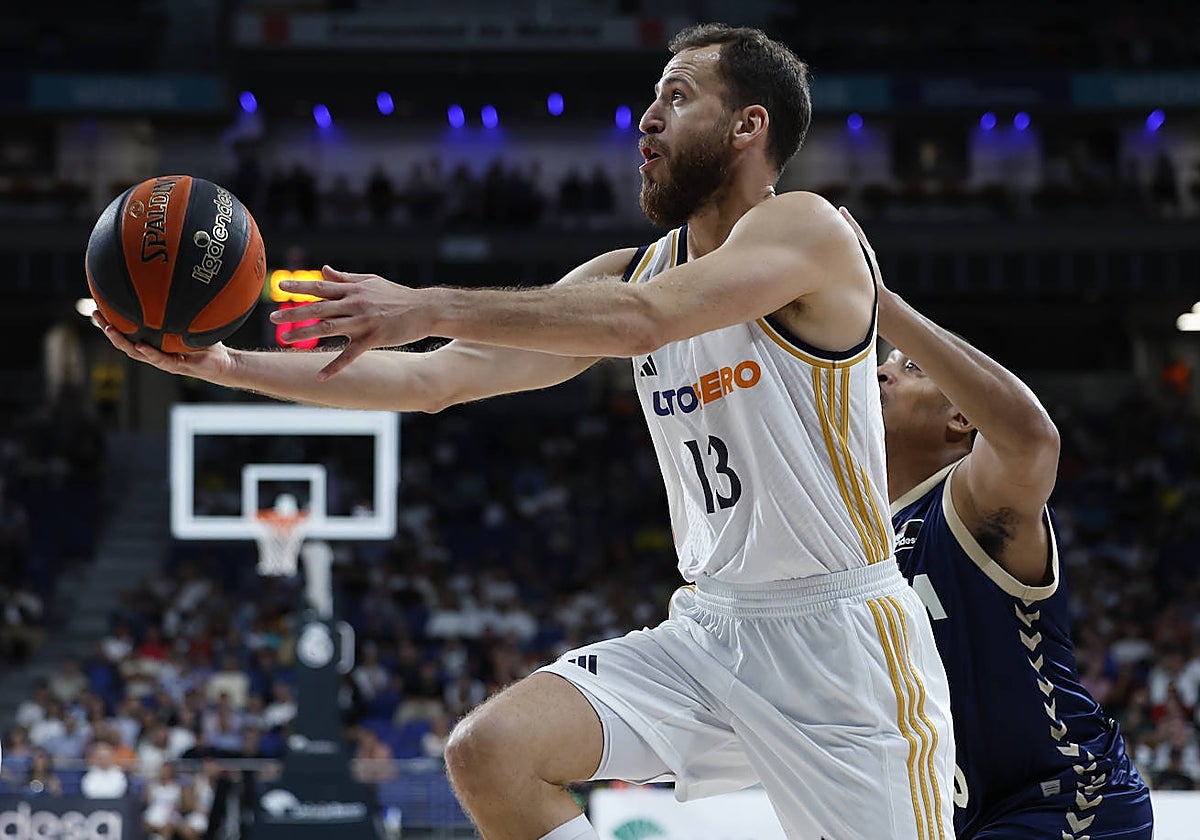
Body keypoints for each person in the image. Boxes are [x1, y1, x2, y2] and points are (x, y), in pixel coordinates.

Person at [96, 23, 954, 840]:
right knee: (491, 752)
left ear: (748, 126)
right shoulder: (630, 271)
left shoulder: (809, 229)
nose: (648, 116)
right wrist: (224, 367)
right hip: (714, 632)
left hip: (842, 650)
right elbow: (433, 379)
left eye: (678, 96)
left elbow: (644, 323)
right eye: (652, 97)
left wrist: (422, 303)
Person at [845, 206, 1154, 839]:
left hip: (1069, 801)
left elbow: (1033, 439)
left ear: (961, 420)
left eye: (908, 367)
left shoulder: (967, 502)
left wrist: (882, 303)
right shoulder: (857, 536)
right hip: (966, 815)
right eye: (882, 359)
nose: (878, 369)